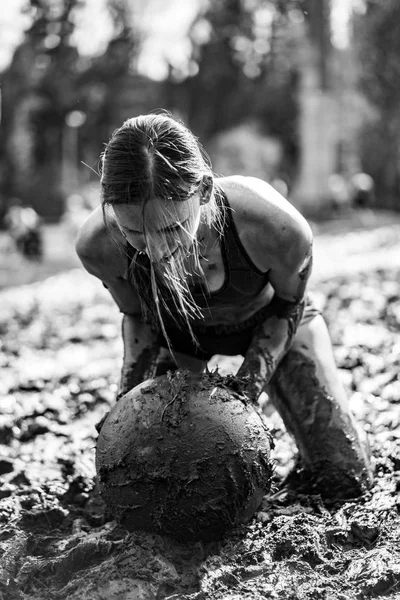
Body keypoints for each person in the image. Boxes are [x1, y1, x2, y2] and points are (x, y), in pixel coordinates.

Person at [76, 112, 372, 498]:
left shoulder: (278, 228)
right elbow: (136, 317)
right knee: (147, 475)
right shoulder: (98, 246)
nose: (157, 249)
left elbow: (288, 308)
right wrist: (125, 403)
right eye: (135, 232)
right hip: (177, 336)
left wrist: (244, 394)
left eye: (171, 229)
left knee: (343, 479)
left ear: (204, 191)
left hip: (271, 322)